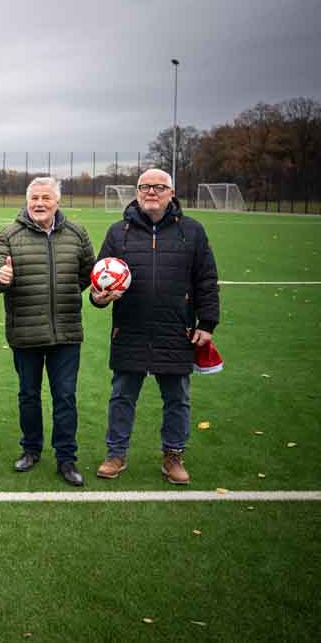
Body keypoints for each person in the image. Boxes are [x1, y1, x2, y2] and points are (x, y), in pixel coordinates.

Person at [91, 169, 219, 485]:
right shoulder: (117, 232)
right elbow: (98, 282)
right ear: (136, 192)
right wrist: (100, 297)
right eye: (145, 186)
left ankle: (173, 456)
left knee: (177, 398)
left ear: (171, 193)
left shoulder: (192, 231)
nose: (151, 192)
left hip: (176, 329)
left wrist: (207, 323)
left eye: (159, 187)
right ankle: (115, 454)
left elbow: (206, 279)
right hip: (129, 330)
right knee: (122, 396)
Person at [0, 177, 94, 487]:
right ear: (27, 200)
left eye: (46, 198)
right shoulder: (8, 234)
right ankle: (31, 449)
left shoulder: (77, 233)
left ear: (57, 202)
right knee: (29, 396)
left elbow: (89, 273)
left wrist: (67, 292)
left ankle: (66, 458)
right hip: (25, 333)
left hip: (66, 334)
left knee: (65, 397)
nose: (39, 203)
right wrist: (1, 275)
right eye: (34, 197)